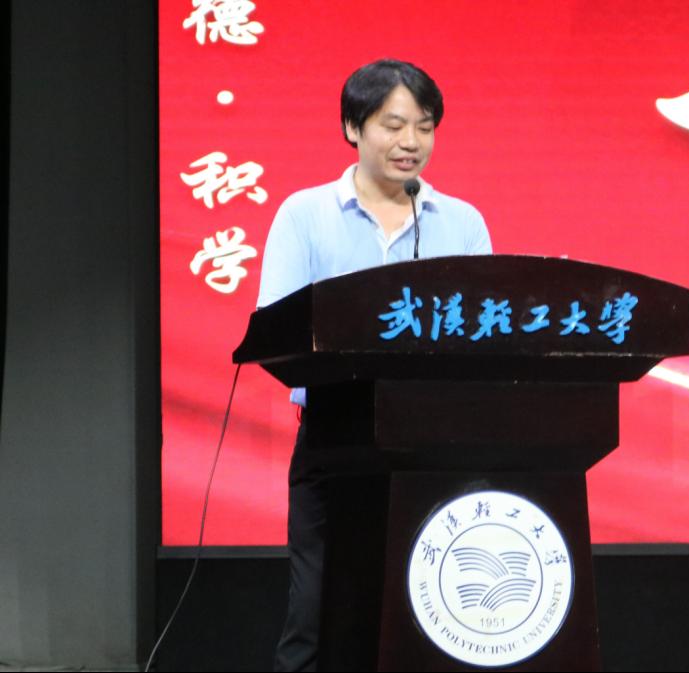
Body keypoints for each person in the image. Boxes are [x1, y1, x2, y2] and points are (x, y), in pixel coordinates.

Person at [257, 58, 492, 672]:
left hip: (434, 448)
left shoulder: (462, 223)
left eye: (425, 127)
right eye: (393, 125)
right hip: (334, 439)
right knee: (315, 613)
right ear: (352, 128)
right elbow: (274, 329)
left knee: (426, 614)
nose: (411, 142)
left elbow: (484, 339)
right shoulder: (304, 214)